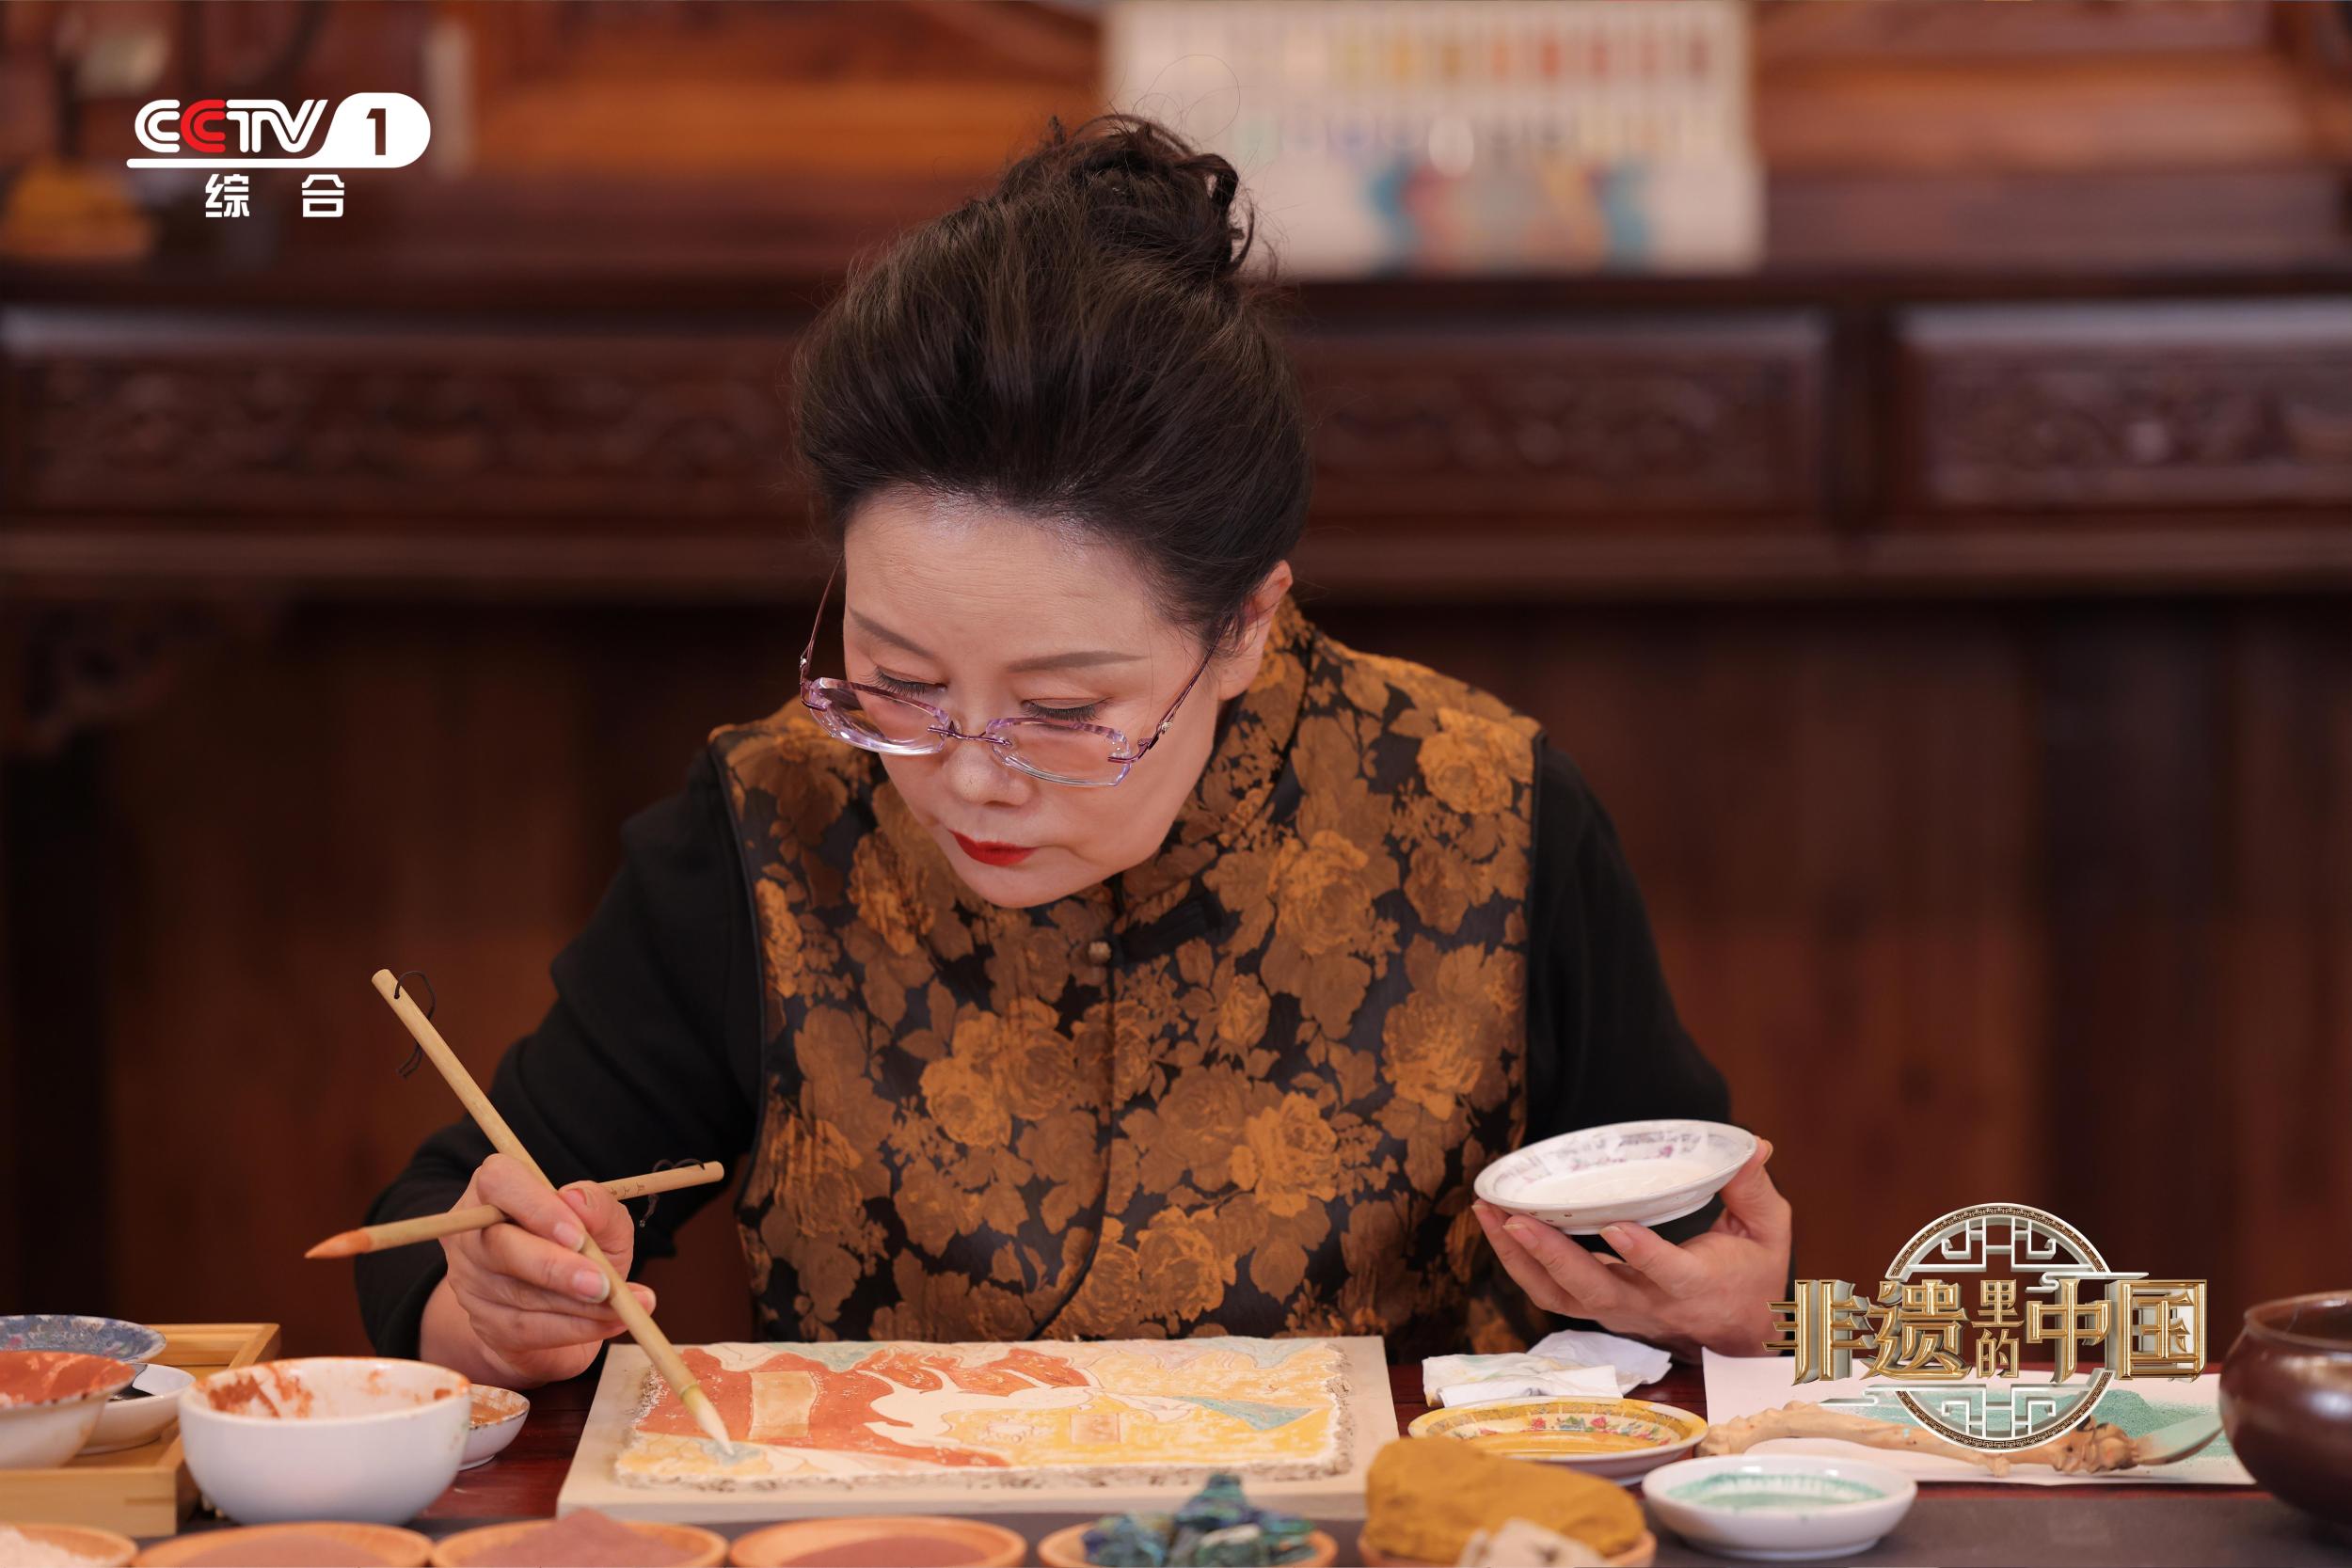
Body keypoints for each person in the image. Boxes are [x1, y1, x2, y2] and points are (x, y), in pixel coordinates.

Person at [356, 113, 1791, 1392]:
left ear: (1244, 627)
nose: (971, 774)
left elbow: (1695, 1266)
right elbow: (445, 1229)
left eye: (1060, 710)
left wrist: (1728, 1316)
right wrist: (493, 1305)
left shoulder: (1484, 813)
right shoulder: (773, 822)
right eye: (900, 681)